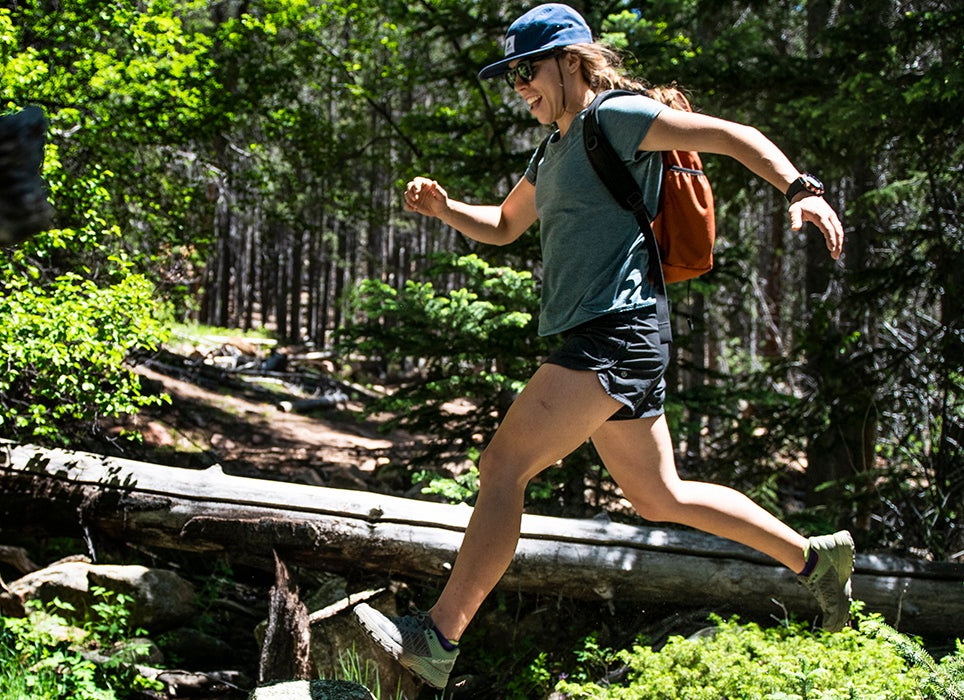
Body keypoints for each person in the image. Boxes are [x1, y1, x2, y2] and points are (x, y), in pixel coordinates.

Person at [352, 4, 853, 690]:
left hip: (616, 330)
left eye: (528, 70)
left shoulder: (611, 117)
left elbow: (732, 134)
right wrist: (443, 209)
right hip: (614, 335)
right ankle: (815, 559)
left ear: (571, 60)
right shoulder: (553, 147)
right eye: (511, 76)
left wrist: (802, 188)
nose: (519, 85)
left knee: (502, 466)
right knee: (660, 495)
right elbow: (502, 225)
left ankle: (437, 638)